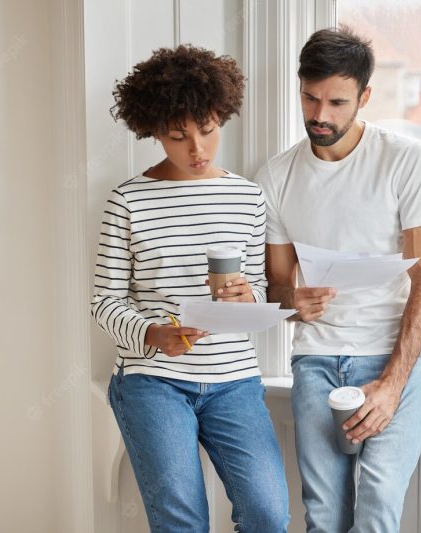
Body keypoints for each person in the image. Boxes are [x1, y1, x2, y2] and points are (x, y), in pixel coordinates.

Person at [254, 27, 421, 533]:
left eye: (337, 102)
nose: (320, 115)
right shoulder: (276, 177)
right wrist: (292, 300)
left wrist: (391, 384)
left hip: (392, 356)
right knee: (323, 516)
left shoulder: (404, 160)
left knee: (377, 507)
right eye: (310, 98)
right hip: (315, 360)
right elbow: (276, 289)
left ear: (364, 97)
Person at [90, 44, 289, 533]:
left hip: (234, 381)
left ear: (221, 116)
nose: (197, 149)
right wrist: (152, 333)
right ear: (154, 130)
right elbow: (104, 300)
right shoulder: (128, 201)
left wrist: (249, 298)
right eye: (179, 137)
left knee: (268, 514)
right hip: (151, 381)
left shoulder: (247, 197)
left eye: (207, 130)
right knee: (182, 522)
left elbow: (260, 290)